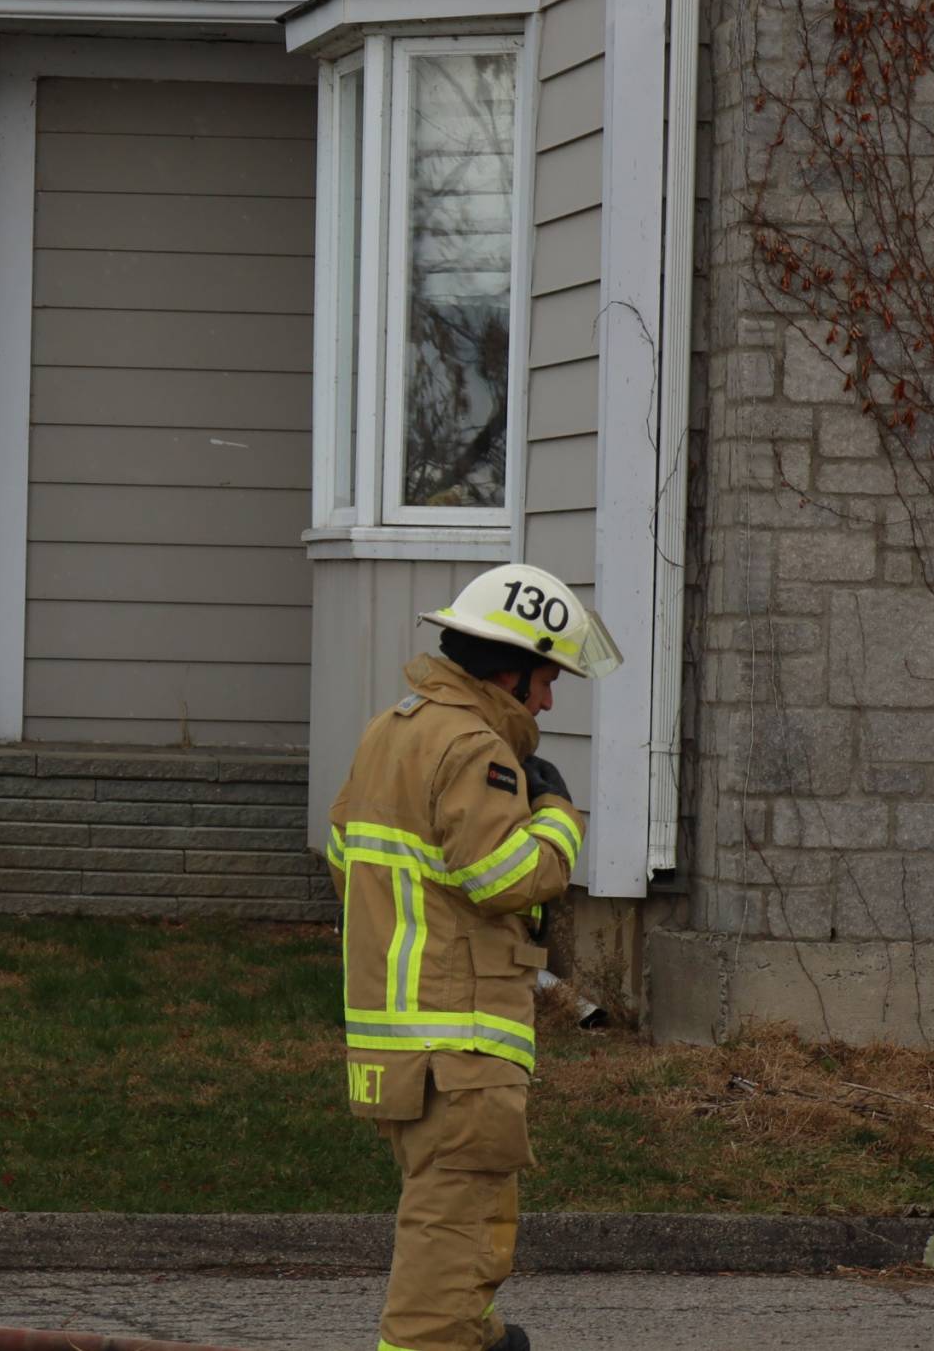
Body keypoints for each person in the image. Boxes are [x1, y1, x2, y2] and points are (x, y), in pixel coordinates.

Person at [324, 563, 618, 1351]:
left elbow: (342, 855)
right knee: (448, 1248)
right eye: (545, 680)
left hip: (403, 1044)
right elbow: (507, 877)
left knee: (452, 1236)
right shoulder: (472, 745)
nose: (549, 701)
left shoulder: (392, 728)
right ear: (508, 668)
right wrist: (556, 814)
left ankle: (471, 1338)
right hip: (460, 1042)